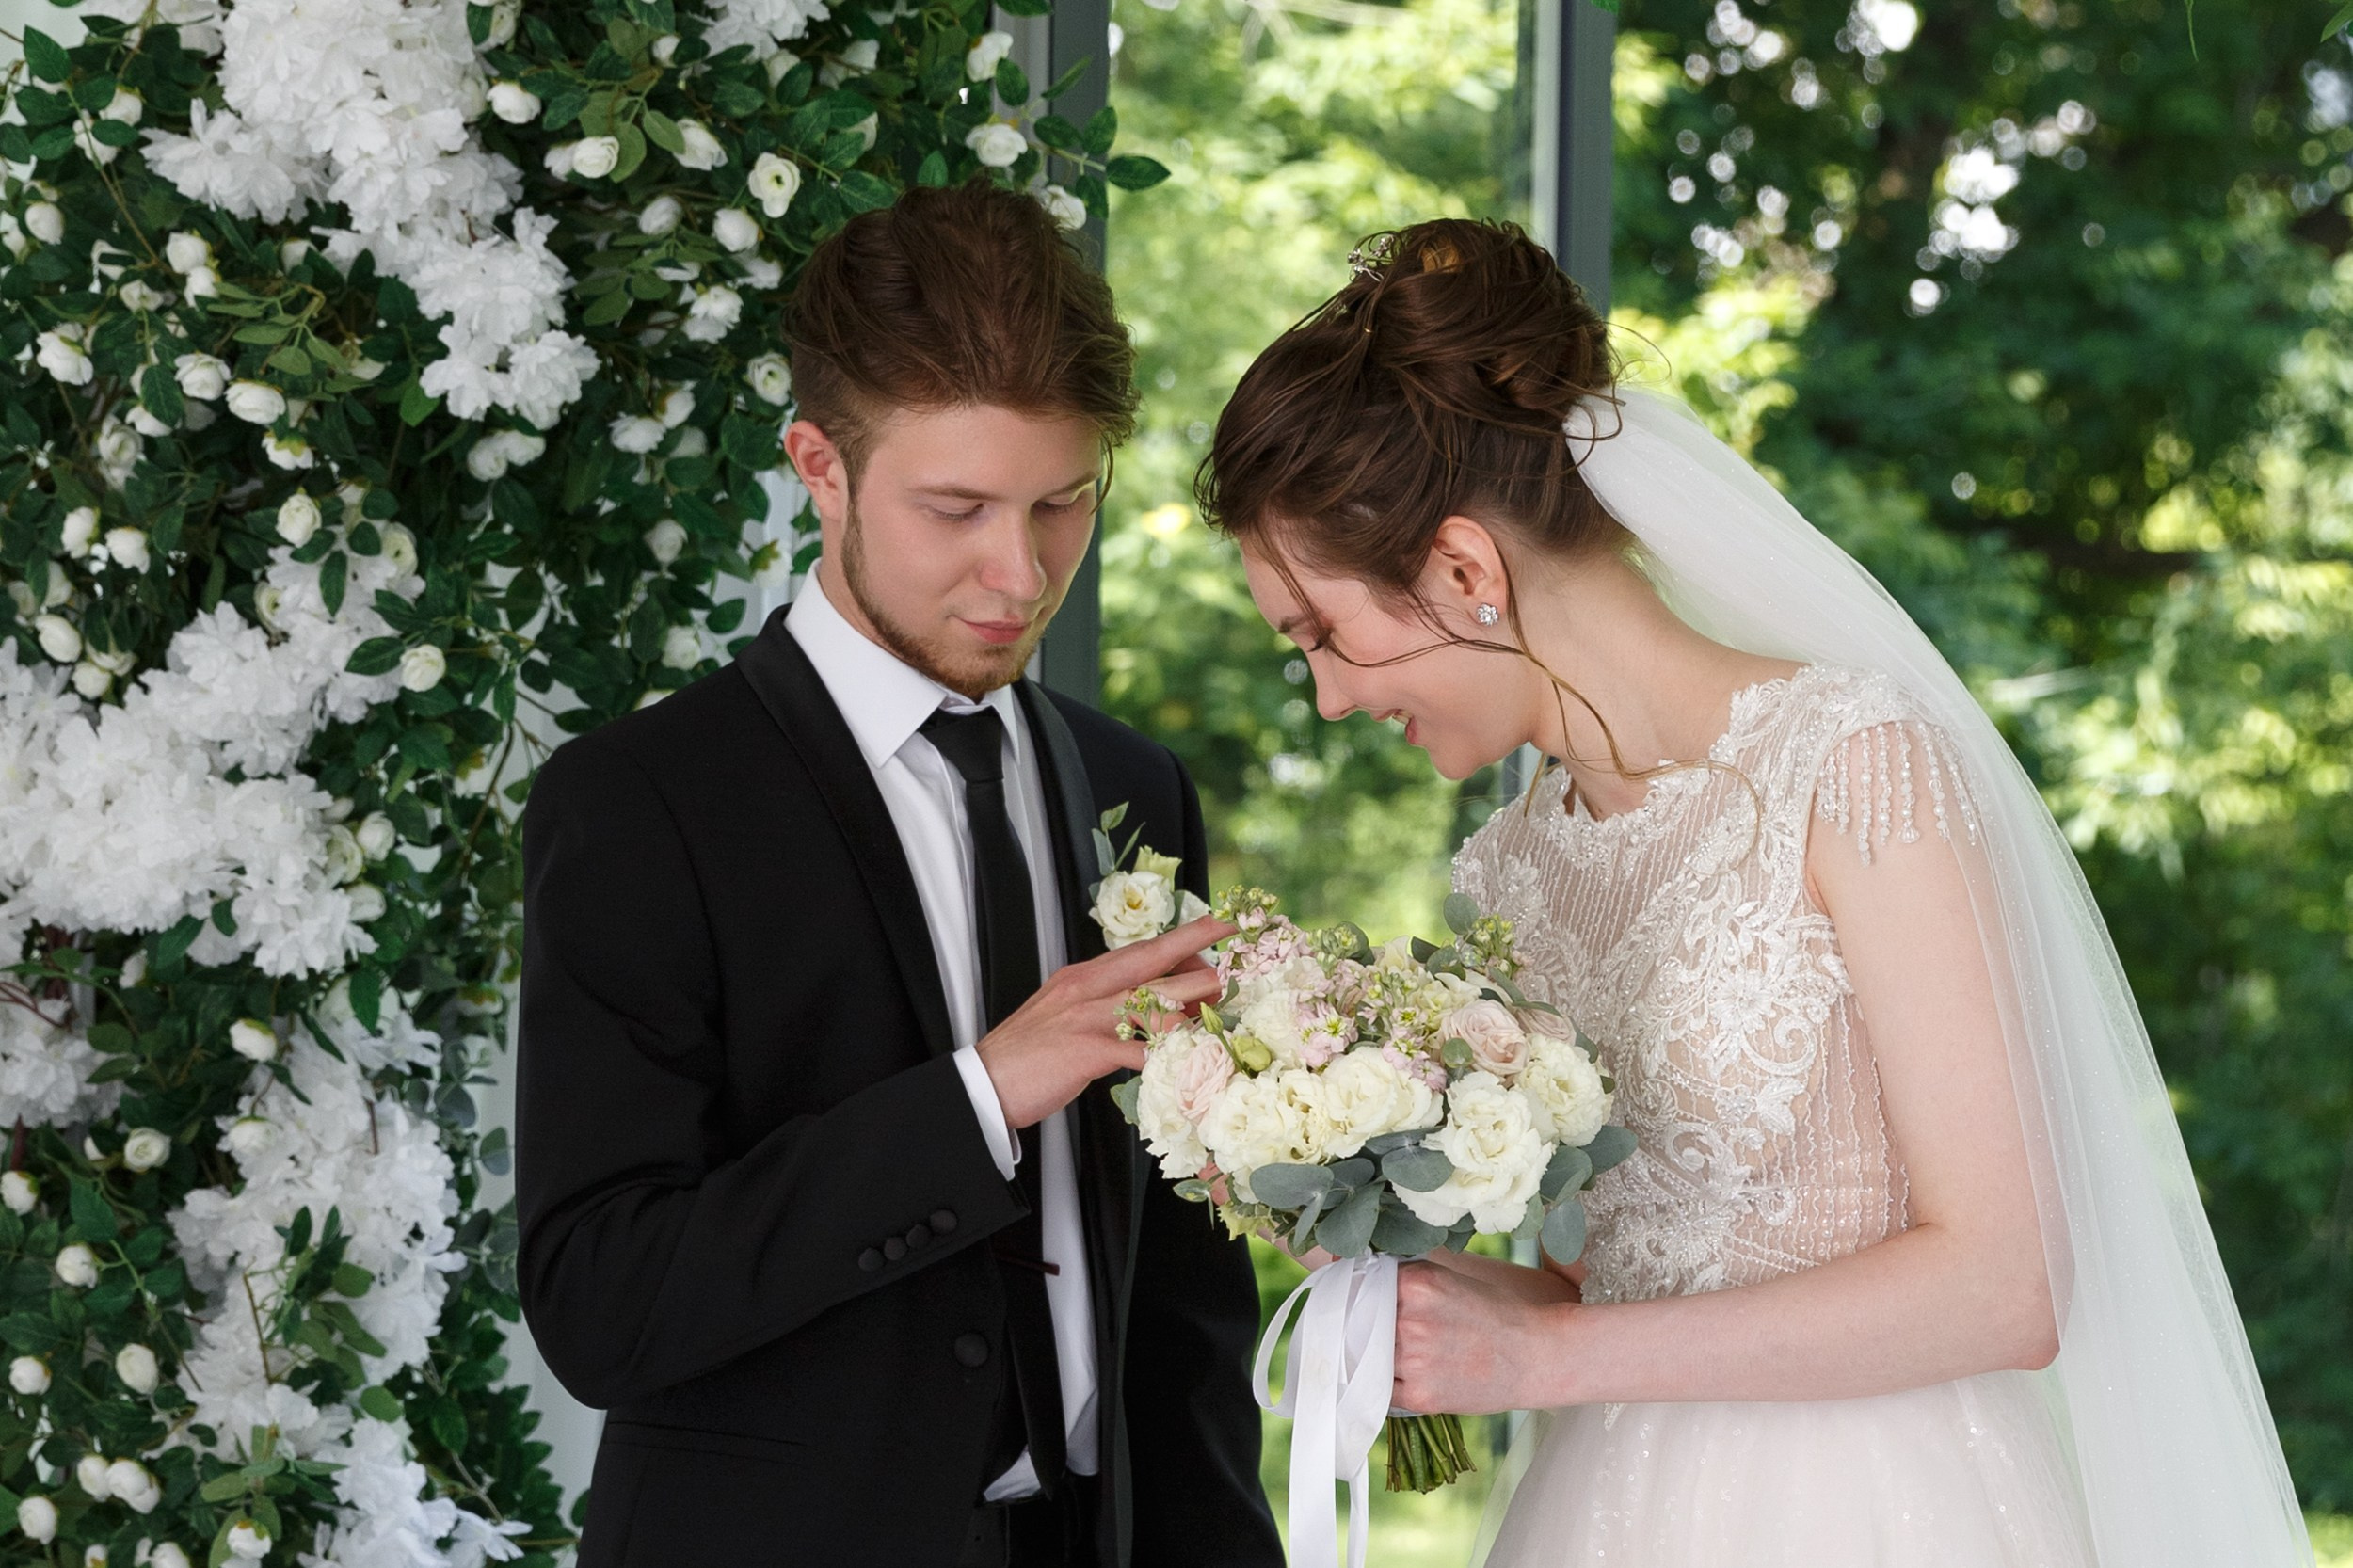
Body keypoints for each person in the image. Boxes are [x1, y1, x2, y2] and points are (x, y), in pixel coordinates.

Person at [1198, 218, 2316, 1567]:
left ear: (1463, 571)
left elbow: (2008, 1284)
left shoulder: (1852, 769)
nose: (1327, 693)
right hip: (1604, 1510)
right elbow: (1614, 1274)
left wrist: (1553, 1351)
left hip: (1884, 1513)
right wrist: (1432, 1304)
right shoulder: (1513, 868)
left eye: (1325, 633)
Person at [514, 180, 1282, 1568]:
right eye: (957, 507)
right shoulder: (638, 806)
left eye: (1063, 503)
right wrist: (985, 1095)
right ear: (819, 462)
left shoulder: (1138, 789)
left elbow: (1184, 1300)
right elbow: (601, 1301)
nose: (1019, 572)